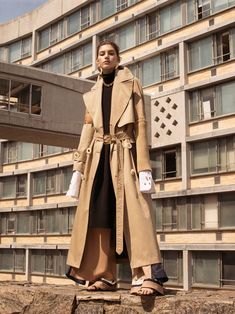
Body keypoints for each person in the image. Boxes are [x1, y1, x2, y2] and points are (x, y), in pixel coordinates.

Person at [66, 40, 168, 295]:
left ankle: (148, 275)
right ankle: (106, 275)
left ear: (118, 58)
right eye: (102, 54)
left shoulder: (132, 84)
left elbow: (141, 125)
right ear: (97, 61)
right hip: (98, 158)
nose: (106, 57)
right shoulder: (91, 94)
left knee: (136, 213)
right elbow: (87, 130)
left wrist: (144, 166)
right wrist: (78, 168)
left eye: (111, 53)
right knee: (99, 215)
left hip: (125, 155)